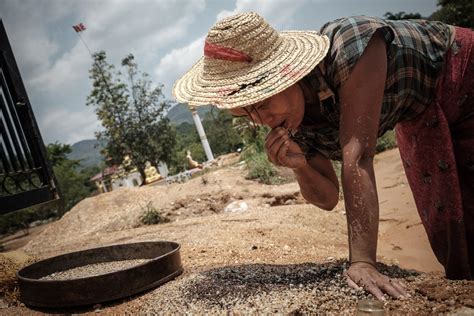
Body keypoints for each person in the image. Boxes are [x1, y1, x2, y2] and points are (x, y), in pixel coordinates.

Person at [173, 12, 473, 299]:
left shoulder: (349, 48)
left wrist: (363, 263)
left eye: (262, 104)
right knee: (453, 229)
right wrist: (300, 167)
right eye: (247, 112)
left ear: (287, 76)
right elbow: (328, 198)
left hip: (462, 73)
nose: (261, 119)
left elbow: (358, 155)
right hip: (420, 113)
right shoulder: (291, 120)